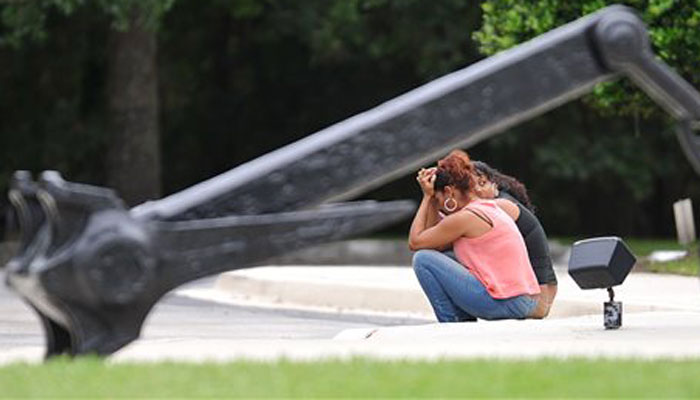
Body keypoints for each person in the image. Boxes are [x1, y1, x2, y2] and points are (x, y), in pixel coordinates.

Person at [408, 149, 540, 322]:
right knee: (443, 256)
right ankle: (461, 323)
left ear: (449, 192)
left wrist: (426, 197)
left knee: (423, 259)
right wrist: (433, 200)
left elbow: (416, 242)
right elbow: (436, 245)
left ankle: (453, 325)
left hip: (509, 302)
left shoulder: (466, 217)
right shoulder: (484, 207)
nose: (439, 205)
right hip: (523, 300)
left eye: (438, 200)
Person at [471, 161, 557, 318]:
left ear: (493, 182)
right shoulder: (500, 202)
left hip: (537, 299)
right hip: (539, 294)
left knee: (438, 257)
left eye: (482, 183)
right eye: (469, 187)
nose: (477, 189)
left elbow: (426, 240)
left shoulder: (500, 205)